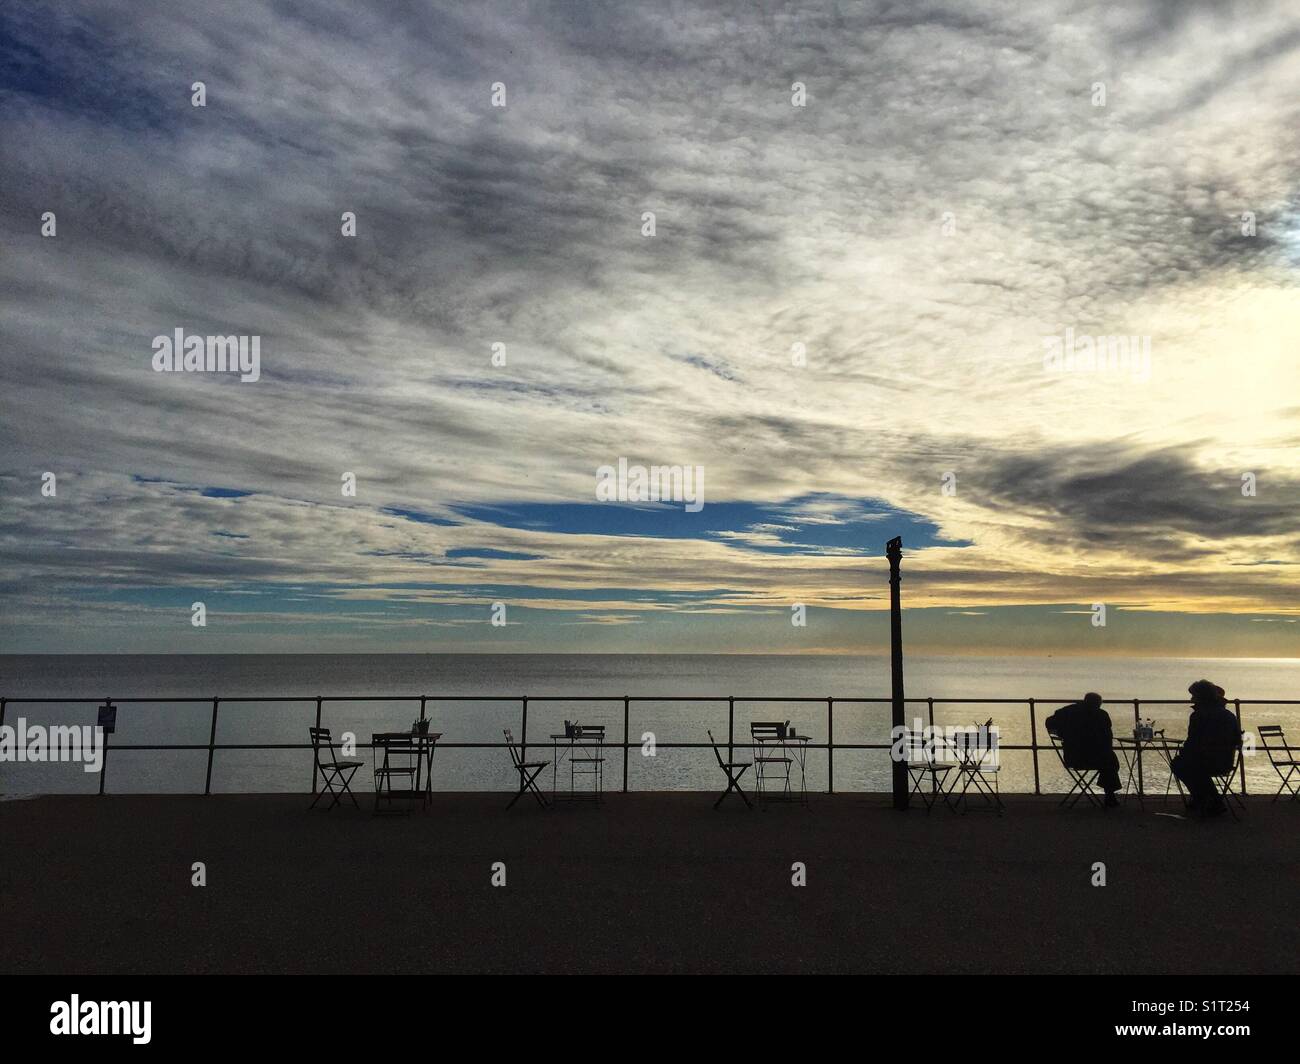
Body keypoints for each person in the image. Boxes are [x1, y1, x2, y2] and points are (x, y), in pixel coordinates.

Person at [1172, 680, 1242, 818]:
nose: (1191, 699)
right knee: (1193, 766)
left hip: (1205, 761)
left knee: (1179, 764)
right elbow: (1237, 739)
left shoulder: (1199, 715)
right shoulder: (1229, 715)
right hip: (1226, 762)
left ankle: (1205, 799)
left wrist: (1183, 754)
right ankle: (1209, 799)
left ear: (1201, 697)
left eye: (1193, 696)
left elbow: (1193, 742)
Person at [1045, 692, 1122, 807]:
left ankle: (1110, 795)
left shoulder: (1068, 711)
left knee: (1109, 759)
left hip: (1072, 757)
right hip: (1094, 757)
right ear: (1098, 704)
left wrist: (1061, 733)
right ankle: (1109, 794)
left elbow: (1049, 722)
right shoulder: (1101, 715)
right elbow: (1107, 737)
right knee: (1110, 760)